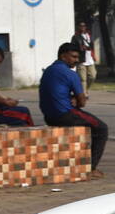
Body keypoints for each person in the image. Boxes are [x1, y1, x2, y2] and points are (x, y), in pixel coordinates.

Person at [40, 42, 108, 179]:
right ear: (63, 56)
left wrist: (72, 98)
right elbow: (82, 102)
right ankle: (91, 168)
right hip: (64, 114)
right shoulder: (71, 74)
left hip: (49, 116)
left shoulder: (48, 70)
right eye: (74, 57)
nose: (76, 60)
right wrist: (76, 99)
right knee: (101, 128)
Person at [71, 21, 97, 93]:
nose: (82, 27)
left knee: (92, 76)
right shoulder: (75, 37)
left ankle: (86, 90)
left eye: (84, 26)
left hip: (90, 59)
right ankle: (84, 94)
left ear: (86, 27)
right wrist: (79, 48)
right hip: (81, 59)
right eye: (81, 26)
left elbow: (92, 47)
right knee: (83, 79)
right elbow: (72, 48)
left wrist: (94, 55)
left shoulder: (89, 35)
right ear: (78, 27)